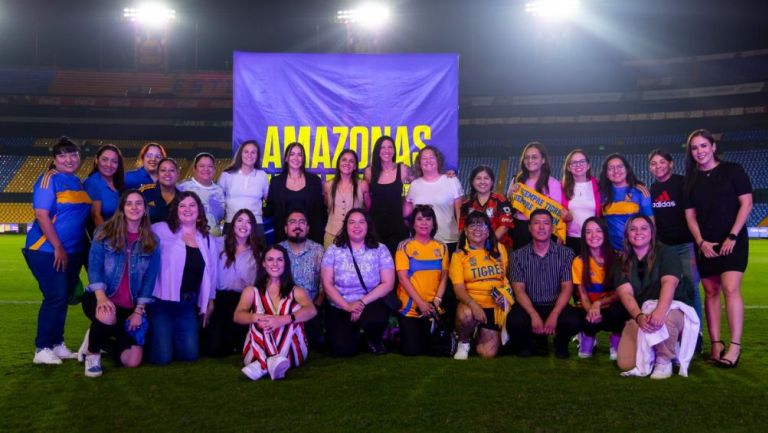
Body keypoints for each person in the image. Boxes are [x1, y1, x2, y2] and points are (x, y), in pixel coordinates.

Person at [683, 129, 752, 368]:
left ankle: (735, 347)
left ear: (713, 146)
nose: (699, 151)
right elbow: (690, 216)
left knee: (731, 289)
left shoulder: (733, 170)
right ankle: (716, 344)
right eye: (694, 148)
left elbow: (746, 203)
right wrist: (701, 242)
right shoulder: (691, 180)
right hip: (707, 245)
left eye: (703, 146)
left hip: (732, 241)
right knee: (710, 293)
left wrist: (732, 235)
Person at [23, 137, 92, 365]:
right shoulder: (47, 179)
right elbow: (42, 215)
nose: (69, 159)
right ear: (54, 159)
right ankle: (42, 348)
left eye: (73, 155)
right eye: (62, 155)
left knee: (63, 298)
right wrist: (58, 247)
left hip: (73, 252)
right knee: (55, 297)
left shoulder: (77, 181)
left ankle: (56, 344)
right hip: (45, 250)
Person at [80, 190, 160, 377]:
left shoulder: (152, 240)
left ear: (145, 209)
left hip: (129, 306)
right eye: (129, 203)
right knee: (107, 315)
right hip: (100, 297)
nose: (134, 207)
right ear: (122, 208)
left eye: (139, 203)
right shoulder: (104, 232)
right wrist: (101, 298)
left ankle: (99, 337)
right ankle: (92, 354)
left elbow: (149, 278)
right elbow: (94, 267)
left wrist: (138, 311)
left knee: (133, 361)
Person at [615, 215, 699, 379]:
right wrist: (639, 317)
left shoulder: (666, 252)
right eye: (633, 229)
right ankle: (657, 349)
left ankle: (664, 360)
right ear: (627, 235)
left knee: (665, 319)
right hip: (642, 314)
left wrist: (660, 312)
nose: (638, 232)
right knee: (625, 363)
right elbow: (625, 293)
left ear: (652, 233)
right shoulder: (622, 260)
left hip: (671, 308)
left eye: (644, 228)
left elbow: (669, 283)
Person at [147, 191, 218, 364]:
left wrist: (210, 300)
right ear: (175, 209)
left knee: (189, 355)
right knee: (162, 359)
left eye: (192, 205)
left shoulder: (207, 239)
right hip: (161, 303)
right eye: (182, 205)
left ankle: (166, 336)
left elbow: (213, 271)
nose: (188, 209)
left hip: (187, 305)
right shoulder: (160, 229)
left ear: (199, 210)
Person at [235, 245, 317, 381]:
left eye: (280, 260)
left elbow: (311, 310)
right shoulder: (251, 290)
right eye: (270, 259)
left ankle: (262, 366)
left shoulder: (296, 291)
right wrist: (256, 317)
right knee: (259, 316)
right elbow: (237, 316)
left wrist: (282, 320)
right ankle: (272, 363)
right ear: (263, 264)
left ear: (285, 263)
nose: (275, 264)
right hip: (256, 351)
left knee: (293, 309)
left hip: (291, 352)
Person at [506, 209, 581, 358]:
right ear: (529, 227)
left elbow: (567, 287)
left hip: (555, 305)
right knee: (514, 321)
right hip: (529, 306)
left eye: (546, 223)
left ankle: (560, 343)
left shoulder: (566, 254)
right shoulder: (517, 256)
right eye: (536, 223)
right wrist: (533, 314)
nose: (541, 227)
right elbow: (518, 289)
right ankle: (529, 343)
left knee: (573, 320)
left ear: (552, 228)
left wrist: (554, 314)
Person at [320, 208, 395, 357]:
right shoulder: (334, 250)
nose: (357, 226)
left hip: (370, 301)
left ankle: (373, 337)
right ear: (345, 226)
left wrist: (361, 303)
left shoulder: (380, 249)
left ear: (368, 226)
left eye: (361, 222)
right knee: (342, 351)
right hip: (340, 304)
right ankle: (354, 334)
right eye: (352, 222)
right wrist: (347, 306)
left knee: (375, 319)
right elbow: (327, 284)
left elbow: (388, 283)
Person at [648, 149, 703, 346]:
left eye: (662, 162)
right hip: (663, 247)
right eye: (653, 164)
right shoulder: (653, 189)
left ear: (671, 164)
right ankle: (672, 334)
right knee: (665, 290)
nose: (658, 166)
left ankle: (697, 337)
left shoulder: (683, 183)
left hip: (685, 245)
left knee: (691, 289)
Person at [450, 211, 512, 360]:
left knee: (487, 354)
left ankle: (477, 333)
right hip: (471, 304)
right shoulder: (459, 255)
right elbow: (458, 289)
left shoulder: (500, 250)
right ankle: (463, 342)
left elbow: (506, 279)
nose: (477, 229)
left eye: (482, 225)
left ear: (488, 231)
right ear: (465, 231)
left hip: (494, 307)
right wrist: (473, 305)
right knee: (466, 315)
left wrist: (504, 297)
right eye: (472, 225)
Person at [203, 208, 259, 357]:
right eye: (240, 220)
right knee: (213, 349)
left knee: (242, 347)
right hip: (219, 299)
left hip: (242, 302)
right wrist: (209, 300)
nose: (244, 225)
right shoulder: (217, 243)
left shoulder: (257, 252)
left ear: (253, 227)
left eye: (248, 222)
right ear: (233, 224)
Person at [395, 205, 449, 356]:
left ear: (433, 223)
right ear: (413, 223)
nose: (424, 223)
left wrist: (437, 299)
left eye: (428, 219)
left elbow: (444, 275)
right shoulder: (405, 246)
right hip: (411, 308)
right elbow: (403, 278)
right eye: (419, 219)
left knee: (435, 351)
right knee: (411, 351)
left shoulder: (441, 247)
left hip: (433, 307)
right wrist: (420, 302)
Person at [571, 217, 625, 359]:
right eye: (588, 232)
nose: (593, 236)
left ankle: (616, 340)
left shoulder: (617, 258)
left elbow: (620, 293)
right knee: (584, 355)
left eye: (598, 231)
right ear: (584, 236)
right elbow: (582, 295)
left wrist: (599, 303)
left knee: (620, 311)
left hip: (610, 305)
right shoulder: (579, 261)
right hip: (589, 306)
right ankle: (587, 336)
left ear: (605, 234)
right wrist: (592, 311)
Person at [278, 209, 325, 349]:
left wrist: (316, 305)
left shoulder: (318, 250)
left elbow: (324, 285)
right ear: (286, 229)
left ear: (307, 228)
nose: (297, 226)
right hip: (283, 309)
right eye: (292, 222)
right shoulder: (278, 250)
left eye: (301, 222)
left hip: (311, 308)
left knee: (315, 343)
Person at [404, 146, 463, 253]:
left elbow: (460, 213)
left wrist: (462, 239)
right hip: (422, 242)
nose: (428, 161)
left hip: (448, 240)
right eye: (424, 158)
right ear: (419, 163)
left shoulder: (452, 180)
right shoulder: (414, 185)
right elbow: (408, 214)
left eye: (431, 157)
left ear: (438, 160)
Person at [266, 142, 326, 244]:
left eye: (299, 155)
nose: (296, 158)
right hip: (282, 239)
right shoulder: (276, 182)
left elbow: (320, 212)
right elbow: (270, 210)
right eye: (292, 154)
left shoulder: (314, 181)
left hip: (311, 239)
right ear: (286, 158)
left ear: (303, 159)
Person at [507, 142, 563, 250]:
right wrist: (510, 195)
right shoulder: (517, 181)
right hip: (521, 229)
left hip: (543, 231)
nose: (530, 161)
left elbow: (557, 215)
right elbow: (509, 207)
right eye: (526, 158)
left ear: (543, 160)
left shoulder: (553, 184)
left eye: (534, 157)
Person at [365, 135, 410, 255]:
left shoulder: (402, 169)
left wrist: (446, 174)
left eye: (390, 147)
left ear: (394, 150)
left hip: (397, 226)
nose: (387, 150)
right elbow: (367, 198)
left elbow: (423, 179)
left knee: (397, 264)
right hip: (376, 226)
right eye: (383, 147)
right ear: (377, 151)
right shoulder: (370, 171)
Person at [598, 154, 653, 251]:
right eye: (611, 168)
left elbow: (651, 221)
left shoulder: (640, 192)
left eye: (620, 166)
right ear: (606, 173)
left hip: (637, 250)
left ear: (627, 169)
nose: (616, 171)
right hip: (612, 251)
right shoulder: (602, 193)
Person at [218, 140, 269, 242]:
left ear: (257, 155)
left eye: (253, 152)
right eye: (246, 152)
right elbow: (218, 200)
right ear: (240, 154)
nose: (249, 155)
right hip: (231, 223)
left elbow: (269, 201)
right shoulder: (227, 175)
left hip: (255, 225)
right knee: (229, 256)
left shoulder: (262, 175)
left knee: (257, 257)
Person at [323, 149, 370, 248]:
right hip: (331, 235)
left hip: (356, 237)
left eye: (351, 161)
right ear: (338, 163)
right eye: (344, 160)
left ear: (355, 166)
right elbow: (327, 206)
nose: (347, 163)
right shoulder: (328, 185)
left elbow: (368, 208)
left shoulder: (362, 185)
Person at [459, 165, 514, 250]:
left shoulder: (501, 200)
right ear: (472, 182)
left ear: (492, 182)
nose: (482, 181)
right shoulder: (466, 205)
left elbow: (504, 226)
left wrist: (488, 244)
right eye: (478, 178)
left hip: (499, 248)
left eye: (486, 178)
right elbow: (463, 229)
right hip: (472, 250)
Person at [561, 149, 601, 255]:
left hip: (594, 239)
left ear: (588, 165)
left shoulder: (599, 185)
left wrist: (636, 183)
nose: (578, 165)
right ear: (569, 167)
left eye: (582, 161)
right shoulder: (561, 187)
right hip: (570, 239)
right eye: (574, 162)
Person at [178, 152, 226, 236]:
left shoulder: (220, 191)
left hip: (214, 240)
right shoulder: (182, 188)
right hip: (188, 240)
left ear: (214, 169)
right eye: (202, 166)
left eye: (210, 166)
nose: (206, 169)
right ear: (194, 169)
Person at [83, 144, 125, 229]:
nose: (109, 165)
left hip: (120, 232)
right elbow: (96, 215)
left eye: (114, 161)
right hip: (104, 236)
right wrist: (107, 241)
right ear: (97, 160)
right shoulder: (92, 182)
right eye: (105, 160)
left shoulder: (120, 182)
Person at [140, 158, 180, 224]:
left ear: (177, 174)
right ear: (157, 175)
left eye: (172, 170)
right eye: (163, 170)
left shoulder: (183, 198)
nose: (167, 173)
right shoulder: (144, 193)